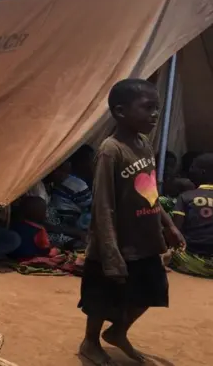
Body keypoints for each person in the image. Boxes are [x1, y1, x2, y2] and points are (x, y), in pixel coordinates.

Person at [79, 79, 185, 366]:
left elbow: (150, 192)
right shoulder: (110, 151)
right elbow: (103, 206)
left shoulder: (144, 145)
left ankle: (118, 332)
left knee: (152, 290)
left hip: (145, 240)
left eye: (157, 108)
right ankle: (89, 342)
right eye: (148, 108)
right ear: (120, 111)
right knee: (101, 298)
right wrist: (111, 253)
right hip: (114, 244)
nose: (155, 114)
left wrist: (169, 225)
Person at [173, 154, 213, 257]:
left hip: (192, 256)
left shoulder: (186, 197)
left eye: (193, 167)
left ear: (202, 172)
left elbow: (175, 230)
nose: (190, 171)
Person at [48, 160, 92, 249]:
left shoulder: (78, 186)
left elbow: (90, 206)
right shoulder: (47, 186)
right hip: (61, 229)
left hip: (75, 225)